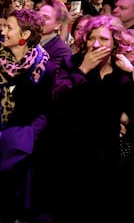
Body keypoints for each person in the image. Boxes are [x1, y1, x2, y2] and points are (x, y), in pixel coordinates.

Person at [50, 14, 134, 223]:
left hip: (107, 157)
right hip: (72, 155)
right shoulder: (72, 64)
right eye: (91, 38)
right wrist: (83, 70)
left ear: (115, 43)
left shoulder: (121, 73)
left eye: (104, 39)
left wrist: (132, 74)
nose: (96, 44)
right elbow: (57, 100)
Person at [0, 9, 55, 223]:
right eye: (3, 26)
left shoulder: (44, 67)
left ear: (24, 35)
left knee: (18, 207)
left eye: (9, 27)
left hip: (23, 151)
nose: (2, 32)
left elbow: (47, 110)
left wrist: (26, 137)